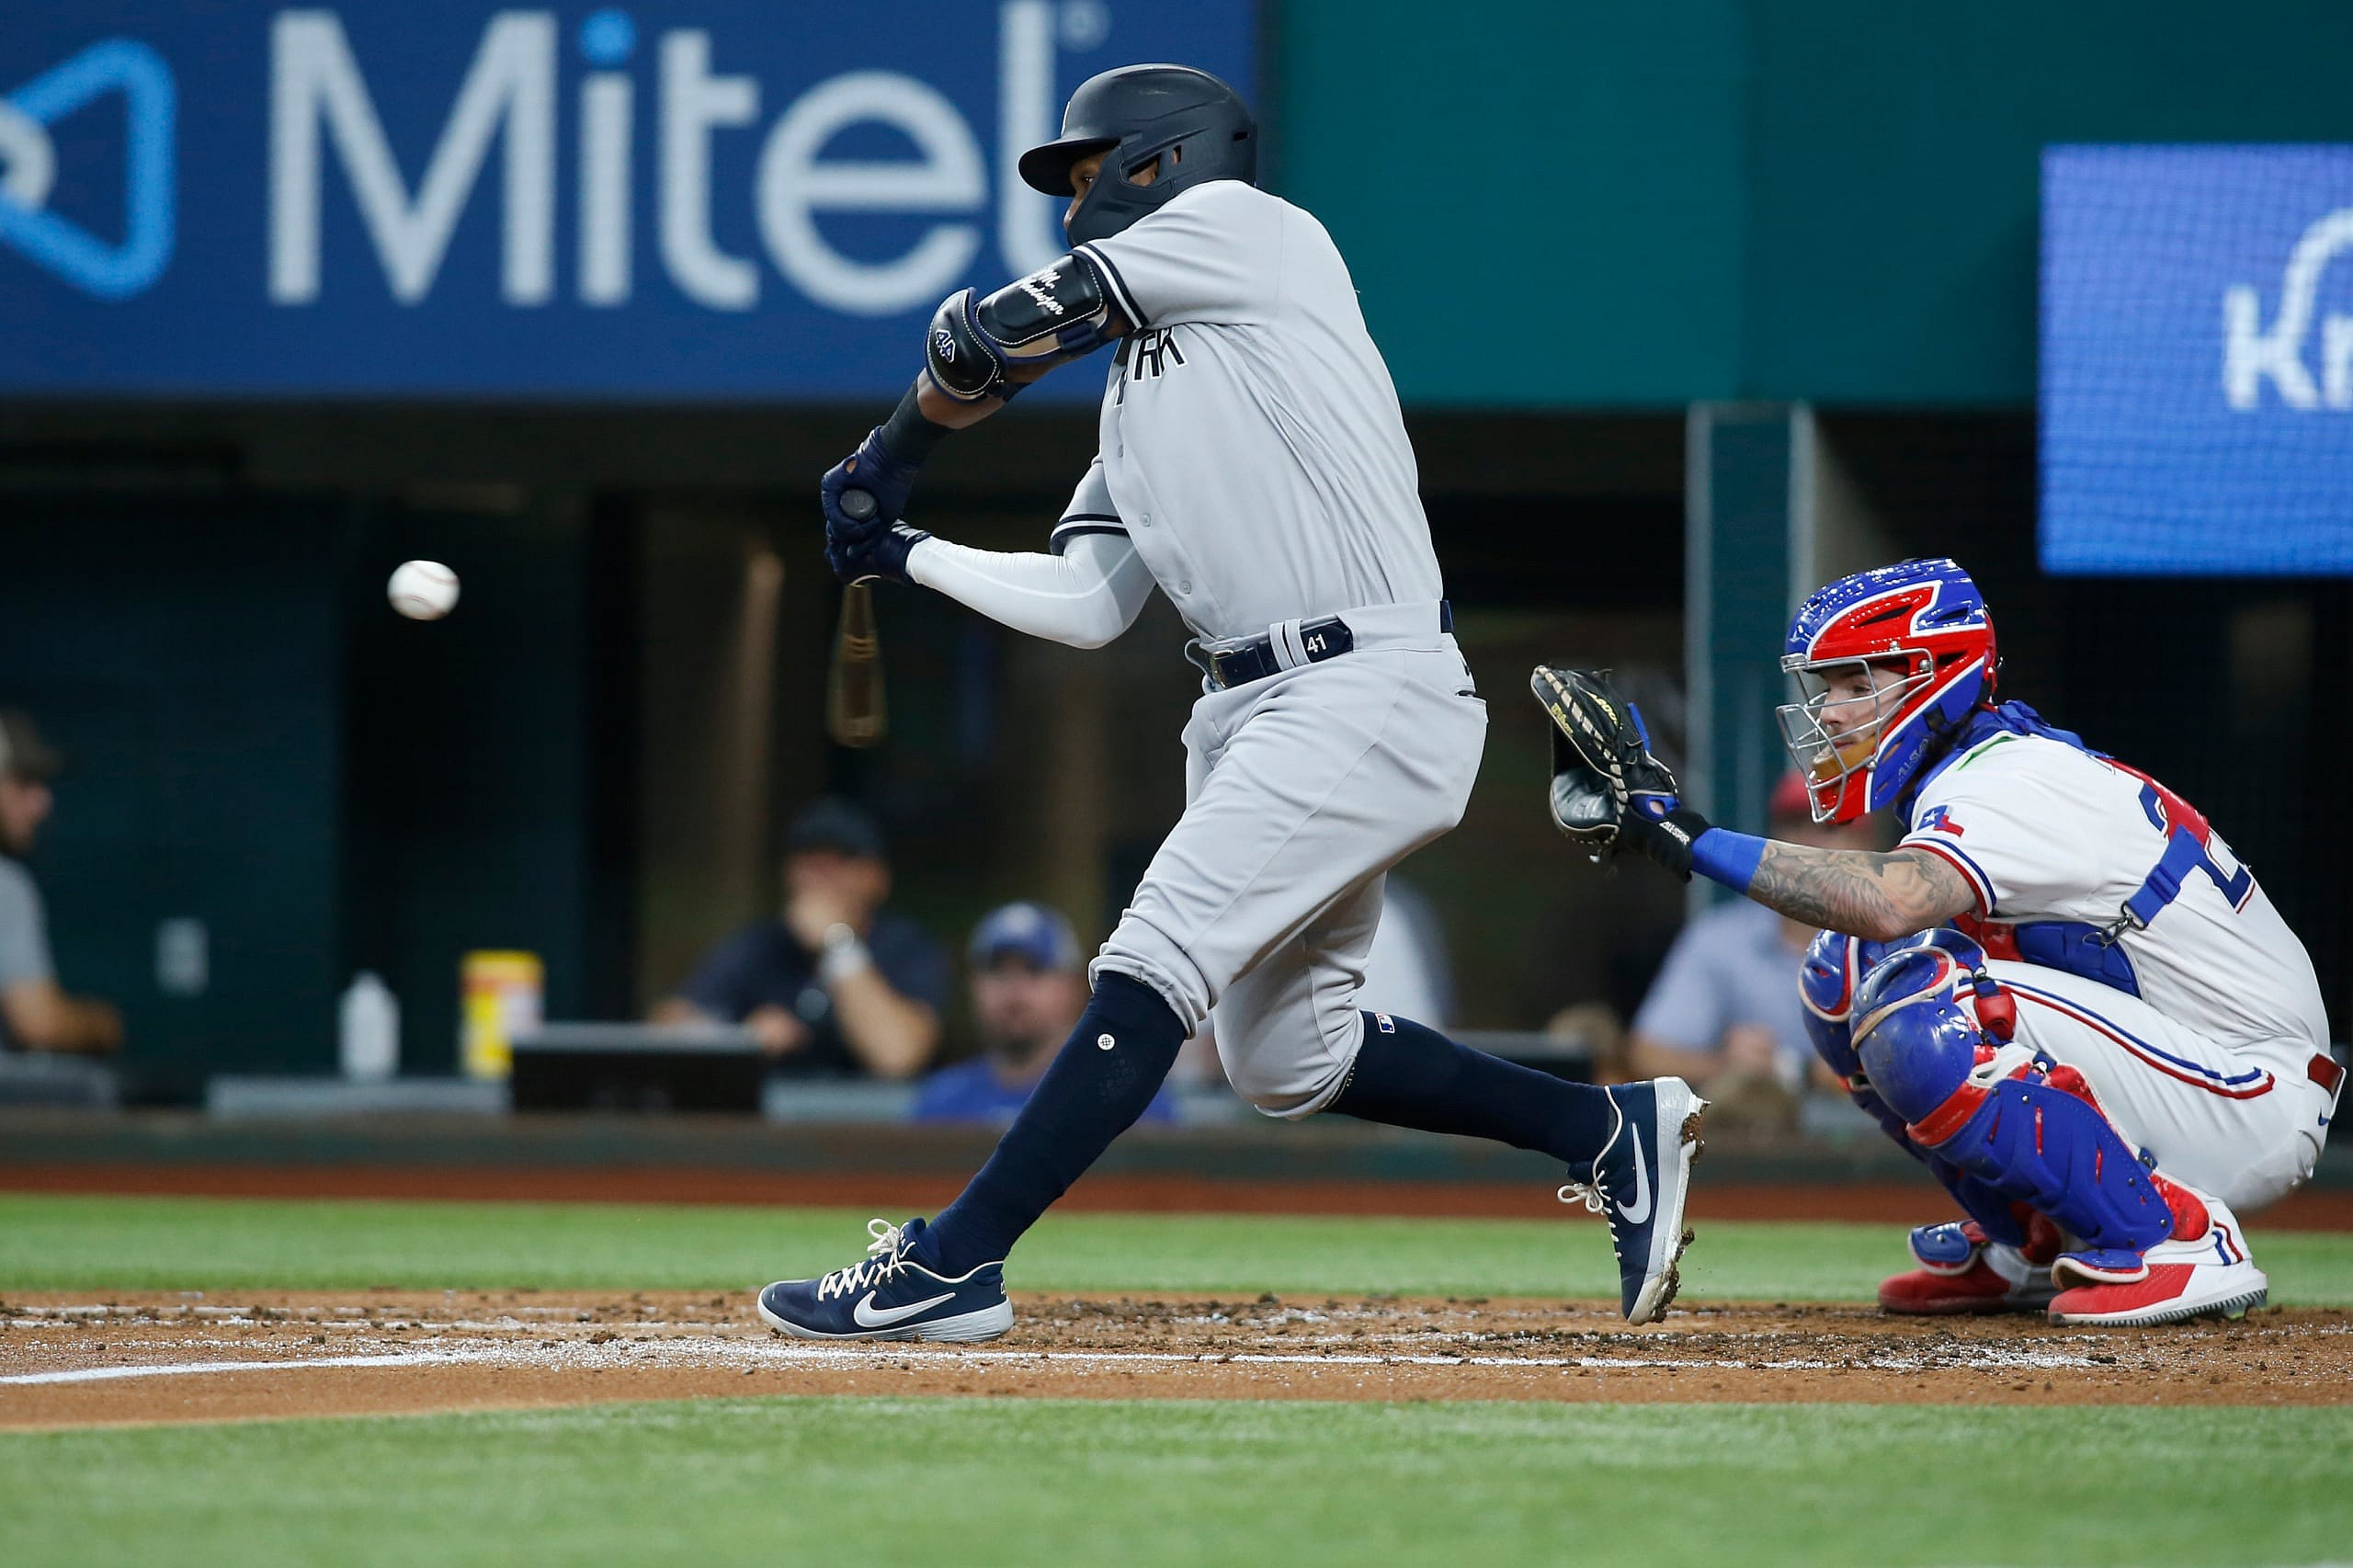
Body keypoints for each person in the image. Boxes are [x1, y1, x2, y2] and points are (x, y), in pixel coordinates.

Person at [758, 64, 1705, 1343]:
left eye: (1087, 172)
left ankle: (951, 1262)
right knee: (1285, 1060)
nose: (1074, 201)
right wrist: (908, 550)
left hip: (1357, 680)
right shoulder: (1142, 399)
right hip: (1260, 709)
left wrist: (891, 451)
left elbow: (989, 338)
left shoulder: (1255, 234)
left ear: (1161, 159)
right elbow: (1091, 601)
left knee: (1151, 959)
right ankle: (1605, 1129)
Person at [1536, 557, 2339, 1326]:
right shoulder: (1978, 772)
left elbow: (1890, 902)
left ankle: (2179, 1235)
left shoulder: (2009, 779)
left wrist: (1687, 836)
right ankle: (2037, 1235)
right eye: (1827, 688)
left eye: (1858, 684)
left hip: (2250, 1092)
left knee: (1919, 998)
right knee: (1842, 972)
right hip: (2187, 1062)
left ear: (1940, 678)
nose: (1834, 711)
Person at [1625, 772, 1871, 1113]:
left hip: (1877, 1153)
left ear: (1867, 846)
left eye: (1831, 828)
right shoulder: (1722, 939)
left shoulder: (1898, 945)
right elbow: (1646, 1056)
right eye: (1794, 826)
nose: (1810, 844)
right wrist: (1723, 1065)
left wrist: (1812, 1073)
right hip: (1751, 1150)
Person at [654, 799, 947, 1080]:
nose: (818, 877)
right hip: (776, 1123)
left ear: (877, 878)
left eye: (838, 862)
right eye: (807, 861)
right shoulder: (762, 943)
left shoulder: (906, 947)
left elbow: (897, 1057)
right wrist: (739, 1037)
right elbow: (666, 1026)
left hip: (872, 1125)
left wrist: (837, 944)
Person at [914, 902, 1176, 1126]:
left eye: (1034, 970)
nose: (1014, 989)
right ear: (973, 986)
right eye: (997, 971)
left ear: (1073, 986)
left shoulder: (1128, 1095)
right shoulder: (942, 1099)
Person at [0, 711, 121, 1056]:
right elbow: (39, 1024)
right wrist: (100, 1024)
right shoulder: (5, 886)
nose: (42, 803)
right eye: (23, 782)